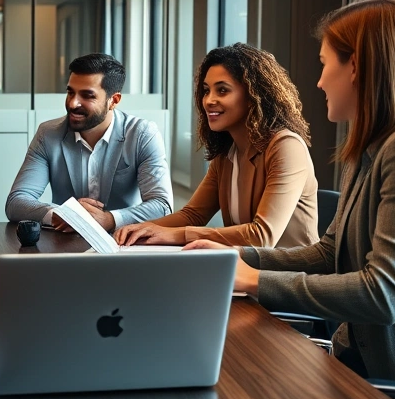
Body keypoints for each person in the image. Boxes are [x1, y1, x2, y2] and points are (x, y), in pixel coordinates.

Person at [187, 0, 395, 399]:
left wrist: (252, 280)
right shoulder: (375, 147)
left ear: (359, 68)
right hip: (364, 361)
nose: (319, 80)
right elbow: (331, 253)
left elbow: (385, 293)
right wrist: (237, 256)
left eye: (325, 63)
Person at [114, 43, 318, 248]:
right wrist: (140, 229)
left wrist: (178, 235)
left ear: (252, 96)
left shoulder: (286, 146)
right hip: (244, 268)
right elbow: (193, 214)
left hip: (290, 275)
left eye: (222, 90)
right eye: (206, 91)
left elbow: (262, 236)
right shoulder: (227, 152)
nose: (209, 100)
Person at [5, 53, 173, 232]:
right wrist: (60, 214)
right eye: (70, 92)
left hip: (123, 243)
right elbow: (16, 202)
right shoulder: (48, 134)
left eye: (87, 95)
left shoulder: (142, 135)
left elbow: (162, 206)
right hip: (64, 245)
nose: (73, 103)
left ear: (113, 101)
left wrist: (109, 219)